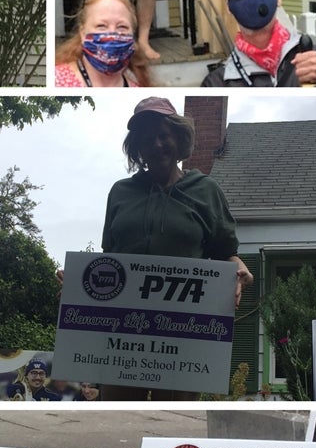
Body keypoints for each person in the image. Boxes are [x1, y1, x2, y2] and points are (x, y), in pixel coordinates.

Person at [99, 97, 253, 401]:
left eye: (163, 135)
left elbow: (226, 252)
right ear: (137, 147)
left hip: (184, 332)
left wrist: (238, 268)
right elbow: (109, 261)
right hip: (123, 332)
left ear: (179, 138)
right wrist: (82, 287)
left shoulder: (206, 190)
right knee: (117, 410)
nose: (156, 145)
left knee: (175, 416)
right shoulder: (120, 193)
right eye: (146, 139)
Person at [54, 0, 151, 86]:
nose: (112, 34)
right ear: (83, 34)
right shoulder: (57, 82)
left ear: (132, 34)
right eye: (101, 26)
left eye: (122, 27)